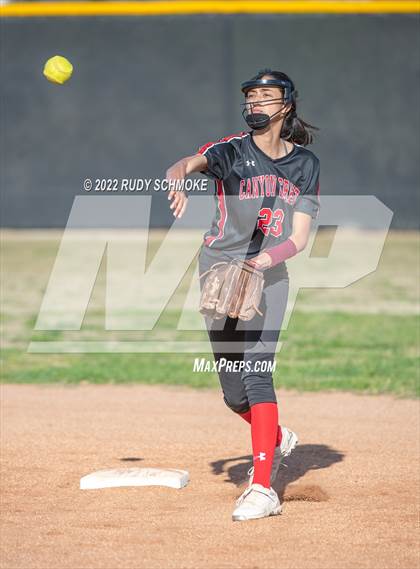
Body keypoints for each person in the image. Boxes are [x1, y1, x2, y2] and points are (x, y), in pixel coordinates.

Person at [166, 69, 320, 522]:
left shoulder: (305, 164)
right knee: (235, 396)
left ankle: (262, 489)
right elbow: (187, 164)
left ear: (285, 106)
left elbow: (301, 236)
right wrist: (176, 176)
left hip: (269, 278)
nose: (255, 104)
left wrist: (265, 262)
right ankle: (274, 436)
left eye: (265, 97)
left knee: (257, 375)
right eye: (251, 97)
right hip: (218, 274)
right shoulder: (230, 152)